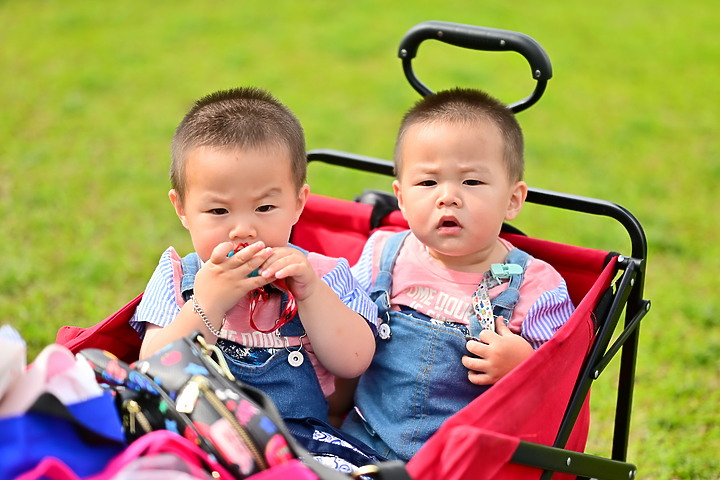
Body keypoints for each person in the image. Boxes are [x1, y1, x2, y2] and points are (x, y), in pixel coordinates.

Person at [338, 88, 576, 461]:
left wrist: (524, 364)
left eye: (472, 182)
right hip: (363, 436)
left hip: (463, 459)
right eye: (428, 182)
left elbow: (566, 379)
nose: (448, 197)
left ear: (513, 200)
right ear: (400, 197)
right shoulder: (383, 254)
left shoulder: (533, 283)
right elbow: (338, 326)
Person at [130, 87, 378, 439]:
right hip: (201, 433)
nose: (243, 229)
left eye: (264, 208)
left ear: (297, 203)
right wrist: (206, 305)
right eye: (218, 211)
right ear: (182, 209)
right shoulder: (176, 276)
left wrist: (310, 296)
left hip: (299, 441)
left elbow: (355, 361)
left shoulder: (323, 274)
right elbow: (150, 368)